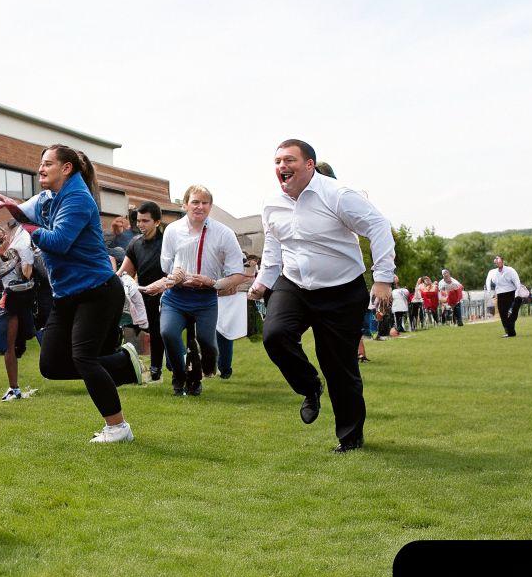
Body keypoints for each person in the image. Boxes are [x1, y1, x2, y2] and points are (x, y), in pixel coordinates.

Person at [250, 139, 395, 453]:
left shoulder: (337, 195)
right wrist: (262, 282)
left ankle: (350, 437)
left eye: (289, 160)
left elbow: (379, 226)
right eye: (277, 161)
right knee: (275, 335)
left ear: (309, 165)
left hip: (342, 290)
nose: (282, 166)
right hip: (294, 284)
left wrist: (383, 279)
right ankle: (310, 386)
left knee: (339, 366)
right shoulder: (271, 203)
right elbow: (273, 248)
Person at [0, 145, 141, 443]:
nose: (40, 168)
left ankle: (118, 428)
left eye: (48, 163)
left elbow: (59, 241)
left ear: (66, 168)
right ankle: (123, 364)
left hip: (96, 291)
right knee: (51, 365)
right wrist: (14, 208)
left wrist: (26, 224)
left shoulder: (78, 198)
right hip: (66, 295)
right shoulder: (48, 197)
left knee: (84, 358)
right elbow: (27, 213)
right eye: (40, 163)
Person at [145, 184, 245, 397]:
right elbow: (165, 265)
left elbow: (238, 274)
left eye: (205, 203)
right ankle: (179, 376)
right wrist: (176, 275)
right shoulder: (173, 230)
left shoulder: (224, 233)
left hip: (205, 298)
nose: (200, 207)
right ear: (185, 205)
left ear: (211, 206)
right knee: (168, 332)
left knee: (207, 343)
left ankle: (199, 375)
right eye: (195, 202)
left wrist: (213, 283)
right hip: (176, 296)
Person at [0, 221, 36, 401]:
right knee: (8, 344)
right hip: (4, 302)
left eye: (4, 232)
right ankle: (14, 388)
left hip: (22, 300)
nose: (2, 236)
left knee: (29, 335)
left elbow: (28, 273)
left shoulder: (20, 249)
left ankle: (59, 361)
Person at [121, 202, 168, 381]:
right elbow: (125, 272)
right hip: (141, 296)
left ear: (157, 222)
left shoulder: (166, 243)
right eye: (138, 220)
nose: (140, 224)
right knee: (140, 330)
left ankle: (157, 369)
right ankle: (128, 365)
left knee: (159, 332)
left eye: (145, 221)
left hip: (165, 295)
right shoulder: (135, 243)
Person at [485, 255, 526, 337]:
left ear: (502, 261)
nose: (497, 262)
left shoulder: (510, 270)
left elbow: (517, 281)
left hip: (512, 293)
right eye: (496, 260)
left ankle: (510, 328)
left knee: (513, 311)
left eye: (499, 260)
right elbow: (488, 281)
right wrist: (489, 291)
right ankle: (510, 332)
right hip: (500, 294)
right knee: (503, 314)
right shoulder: (492, 272)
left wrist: (517, 293)